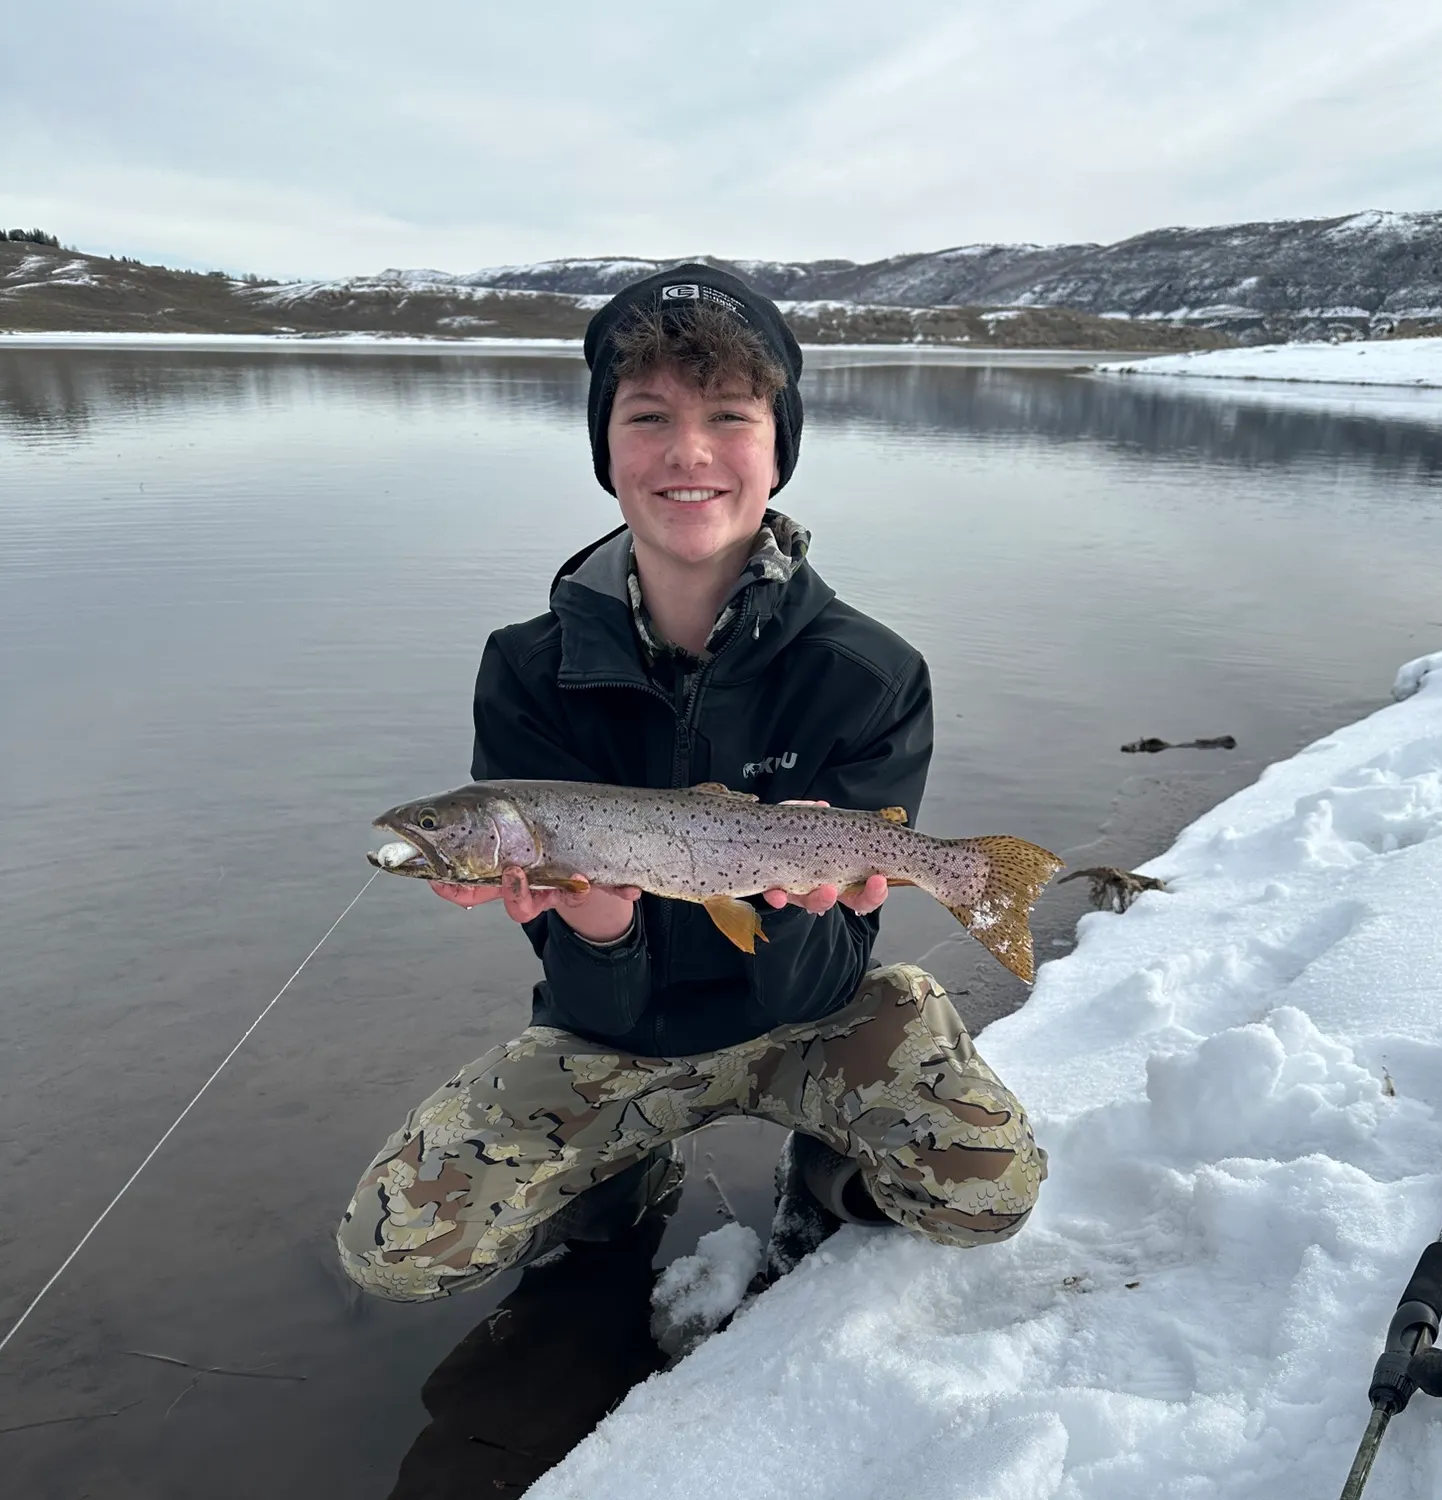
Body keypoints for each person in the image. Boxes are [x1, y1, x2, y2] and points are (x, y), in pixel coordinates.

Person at [338, 264, 1046, 1304]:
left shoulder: (872, 673)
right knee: (396, 1250)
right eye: (649, 416)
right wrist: (600, 930)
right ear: (605, 445)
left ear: (778, 444)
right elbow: (582, 995)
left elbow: (824, 973)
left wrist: (803, 906)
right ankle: (623, 1173)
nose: (689, 452)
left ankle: (825, 1172)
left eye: (729, 414)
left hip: (815, 1018)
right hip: (619, 1036)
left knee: (990, 1193)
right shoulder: (527, 670)